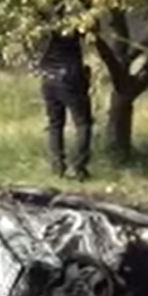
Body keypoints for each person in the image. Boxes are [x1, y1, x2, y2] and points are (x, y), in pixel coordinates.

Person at [34, 9, 93, 182]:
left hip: (48, 78)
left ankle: (57, 167)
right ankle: (78, 168)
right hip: (70, 77)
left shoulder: (42, 16)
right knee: (83, 123)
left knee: (55, 124)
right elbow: (89, 31)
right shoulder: (74, 17)